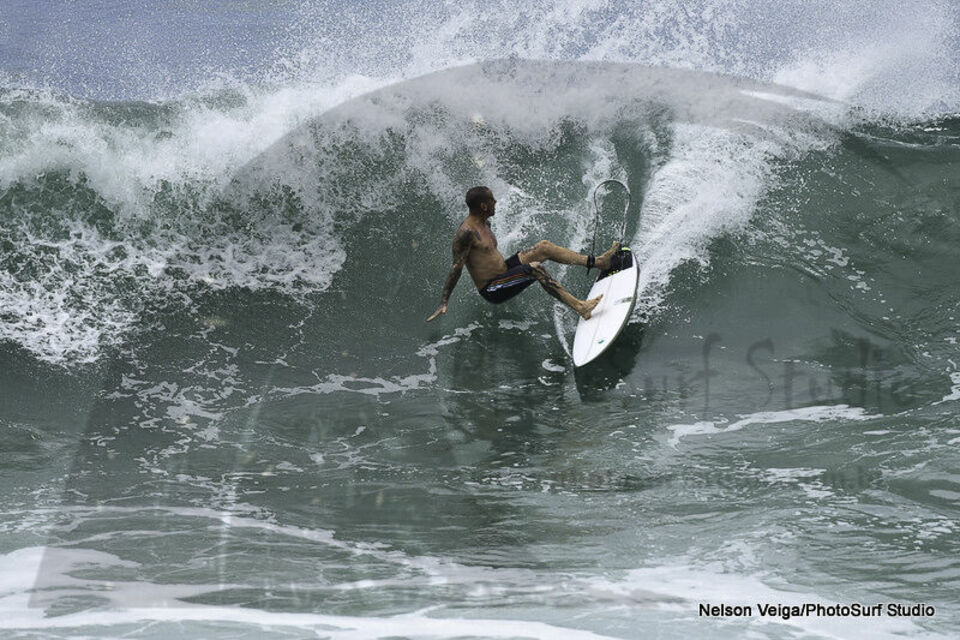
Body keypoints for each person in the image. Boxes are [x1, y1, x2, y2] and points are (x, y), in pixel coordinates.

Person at [427, 186, 620, 322]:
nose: (496, 202)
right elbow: (456, 267)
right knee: (534, 269)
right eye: (492, 200)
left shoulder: (486, 223)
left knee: (544, 247)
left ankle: (599, 262)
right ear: (484, 206)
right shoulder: (466, 233)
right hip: (492, 288)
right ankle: (581, 307)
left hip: (503, 272)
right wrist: (444, 300)